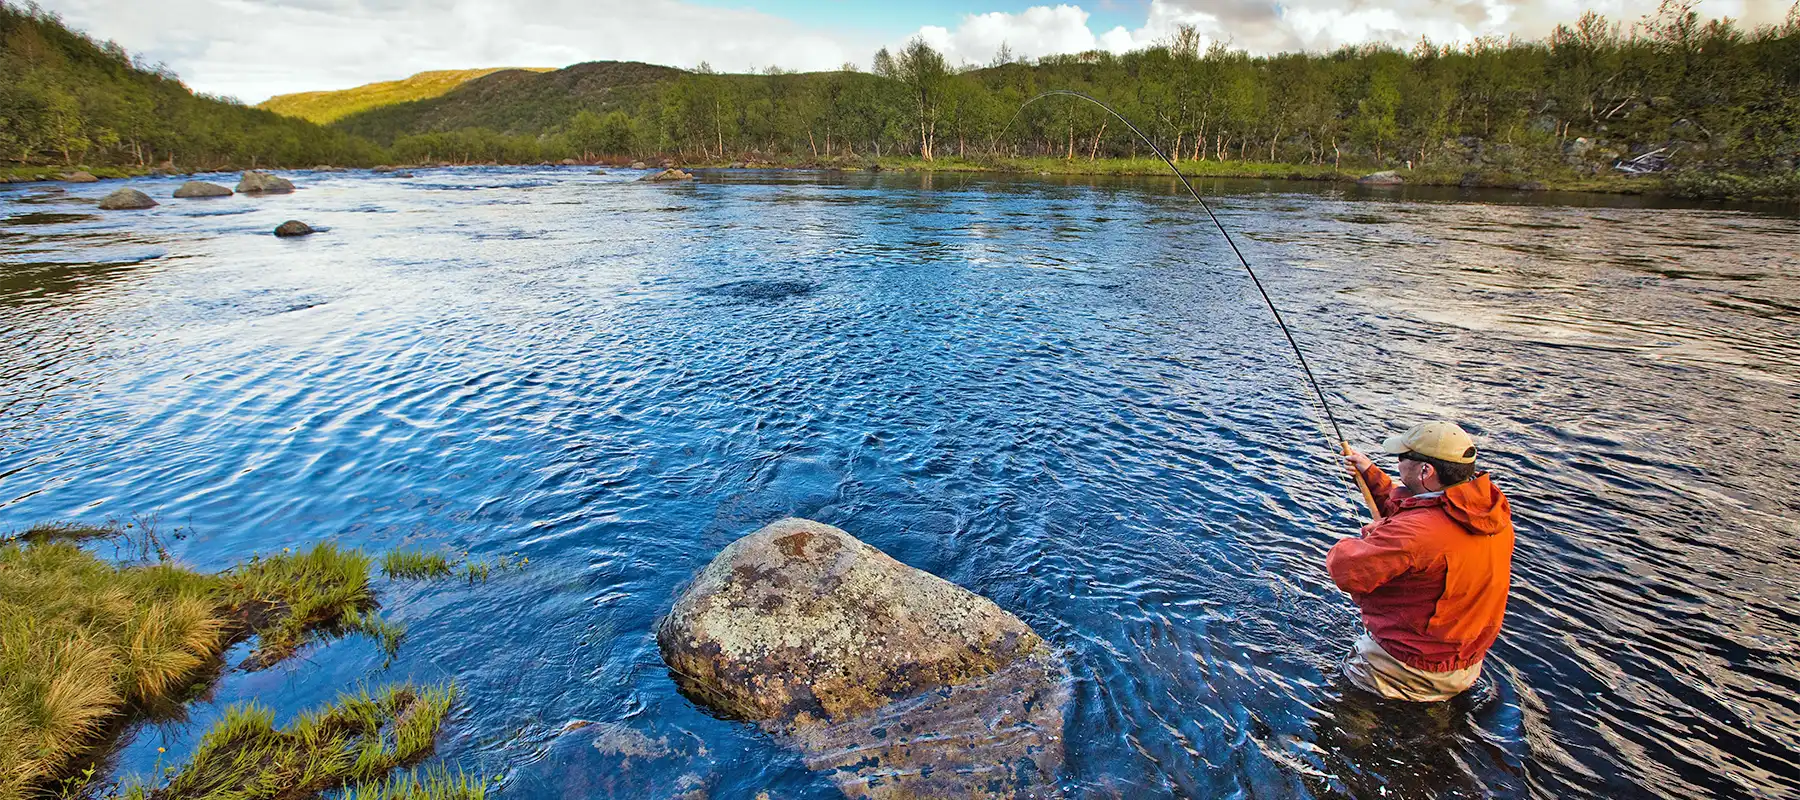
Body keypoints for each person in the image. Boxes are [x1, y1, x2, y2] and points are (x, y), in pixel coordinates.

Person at [1328, 421, 1515, 702]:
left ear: (1426, 470)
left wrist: (1374, 534)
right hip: (1463, 665)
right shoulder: (1487, 511)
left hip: (1405, 670)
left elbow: (1344, 569)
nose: (1398, 463)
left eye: (1402, 458)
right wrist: (1370, 475)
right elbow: (1420, 514)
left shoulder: (1415, 534)